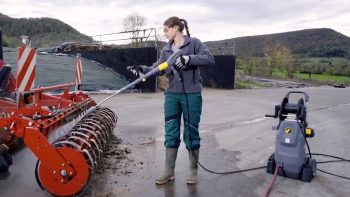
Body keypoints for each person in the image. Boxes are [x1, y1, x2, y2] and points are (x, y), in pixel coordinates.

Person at [128, 16, 215, 185]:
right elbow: (158, 68)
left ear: (176, 28)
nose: (164, 33)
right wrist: (142, 69)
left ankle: (193, 170)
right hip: (172, 95)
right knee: (171, 131)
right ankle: (169, 171)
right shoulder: (166, 49)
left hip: (191, 94)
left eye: (166, 29)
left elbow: (209, 59)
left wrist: (189, 59)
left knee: (191, 132)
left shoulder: (194, 43)